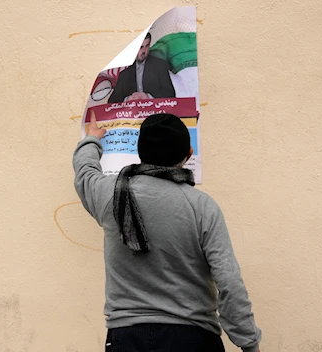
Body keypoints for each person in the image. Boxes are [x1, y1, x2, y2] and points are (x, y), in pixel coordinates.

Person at [72, 112, 262, 352]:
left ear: (140, 154)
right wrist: (248, 343)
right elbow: (229, 281)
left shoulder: (109, 195)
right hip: (193, 339)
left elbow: (85, 172)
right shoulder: (202, 207)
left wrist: (92, 139)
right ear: (188, 155)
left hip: (126, 339)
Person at [108, 33, 176, 103]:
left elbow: (171, 94)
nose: (144, 51)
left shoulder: (160, 65)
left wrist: (149, 97)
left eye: (147, 46)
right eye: (141, 47)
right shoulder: (125, 72)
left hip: (155, 111)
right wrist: (127, 99)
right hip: (131, 112)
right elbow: (111, 101)